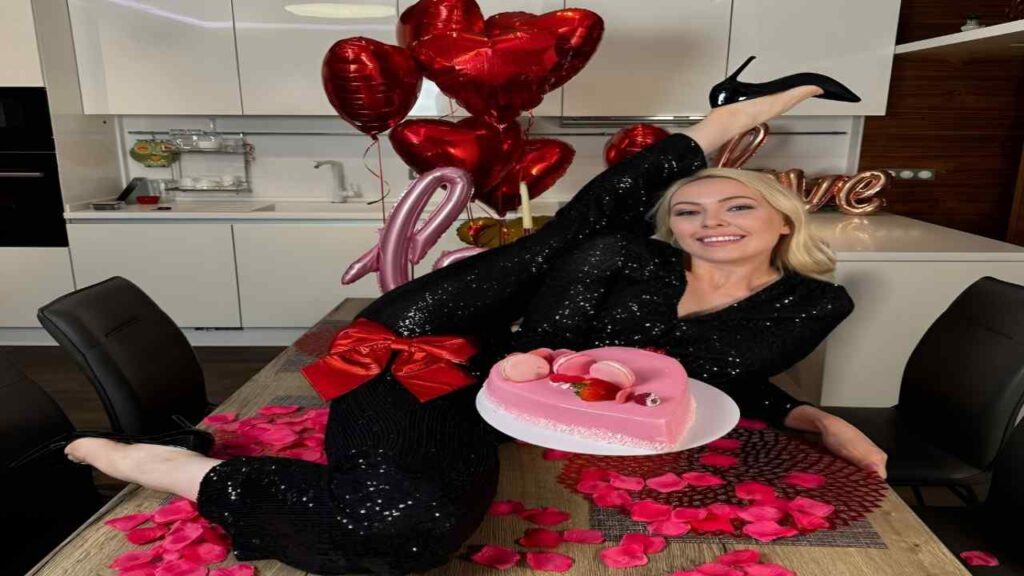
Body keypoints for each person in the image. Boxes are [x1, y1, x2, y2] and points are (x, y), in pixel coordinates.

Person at [64, 85, 885, 575]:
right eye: (691, 210)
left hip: (508, 398)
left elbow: (726, 381)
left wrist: (812, 418)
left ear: (783, 215)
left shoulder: (814, 304)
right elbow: (566, 312)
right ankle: (167, 468)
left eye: (737, 205)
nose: (712, 223)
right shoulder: (627, 256)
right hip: (431, 342)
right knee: (384, 523)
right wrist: (738, 115)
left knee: (416, 529)